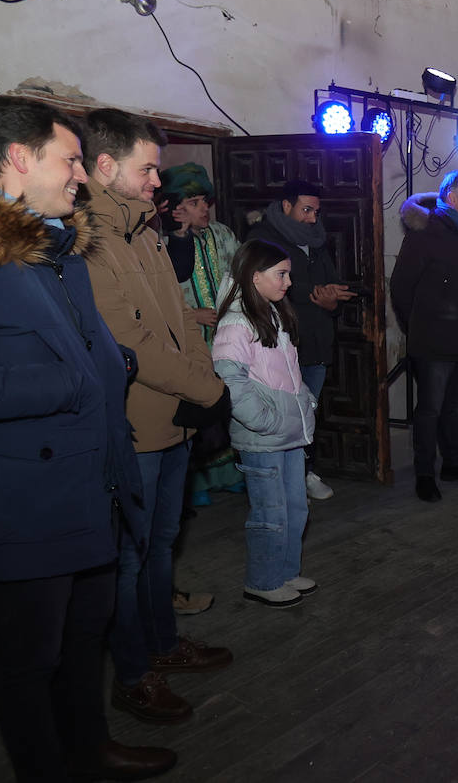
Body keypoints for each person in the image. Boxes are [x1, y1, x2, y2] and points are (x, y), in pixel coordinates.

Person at [0, 96, 173, 780]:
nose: (81, 175)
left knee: (84, 641)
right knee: (31, 660)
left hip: (87, 482)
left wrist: (114, 364)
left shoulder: (54, 247)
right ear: (18, 159)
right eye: (70, 158)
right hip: (21, 497)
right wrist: (62, 386)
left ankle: (90, 748)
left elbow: (74, 345)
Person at [81, 108, 233, 726]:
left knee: (162, 544)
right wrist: (207, 389)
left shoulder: (144, 230)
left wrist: (204, 379)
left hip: (176, 415)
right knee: (128, 558)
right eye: (148, 170)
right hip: (135, 424)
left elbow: (182, 316)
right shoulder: (86, 239)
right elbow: (130, 343)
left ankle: (165, 644)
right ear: (106, 165)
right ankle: (133, 673)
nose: (156, 184)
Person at [212, 240, 318, 608]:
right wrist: (265, 420)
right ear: (255, 276)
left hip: (288, 432)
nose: (288, 282)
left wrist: (305, 401)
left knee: (294, 508)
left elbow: (289, 373)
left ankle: (285, 572)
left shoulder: (272, 314)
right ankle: (263, 580)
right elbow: (230, 381)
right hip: (264, 437)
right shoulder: (237, 323)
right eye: (281, 274)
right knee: (270, 514)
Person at [247, 180, 352, 501]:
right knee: (280, 417)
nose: (311, 218)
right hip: (279, 344)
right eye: (306, 210)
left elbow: (329, 282)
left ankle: (305, 472)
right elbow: (259, 292)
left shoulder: (317, 239)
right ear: (286, 206)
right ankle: (280, 481)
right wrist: (312, 295)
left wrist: (332, 301)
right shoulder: (261, 240)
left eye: (316, 211)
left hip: (316, 341)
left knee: (307, 414)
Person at [390, 171, 458, 502]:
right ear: (451, 198)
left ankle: (451, 463)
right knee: (430, 410)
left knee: (455, 409)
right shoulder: (426, 234)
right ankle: (424, 473)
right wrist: (418, 326)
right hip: (434, 341)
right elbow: (401, 288)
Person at [158, 162, 244, 527]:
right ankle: (195, 484)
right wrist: (191, 316)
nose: (202, 208)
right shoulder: (158, 241)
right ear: (175, 206)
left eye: (204, 200)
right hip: (185, 340)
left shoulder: (222, 234)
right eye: (192, 202)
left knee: (225, 404)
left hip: (225, 337)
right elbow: (153, 298)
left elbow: (240, 273)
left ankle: (226, 475)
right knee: (194, 407)